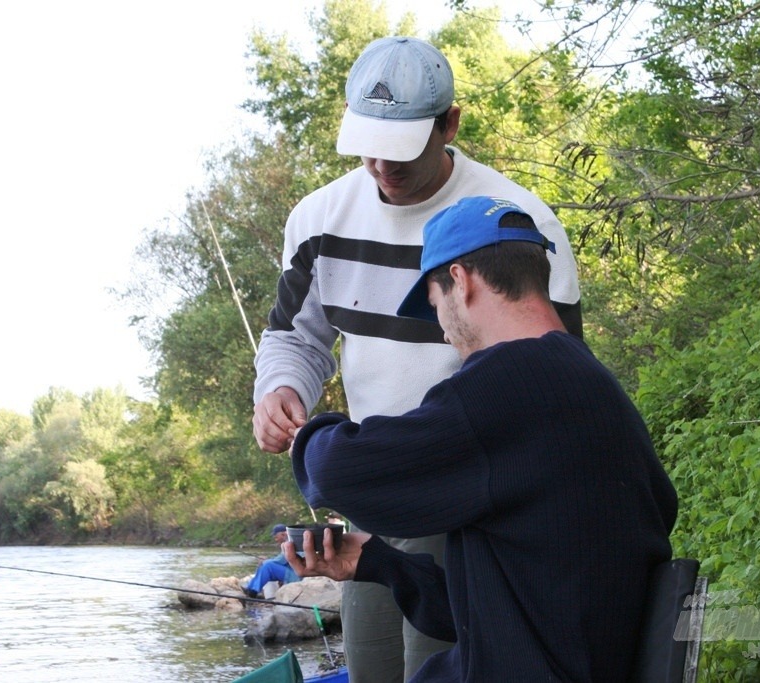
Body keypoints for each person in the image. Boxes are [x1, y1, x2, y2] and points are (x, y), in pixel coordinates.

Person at [251, 36, 582, 683]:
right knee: (373, 670)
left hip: (478, 506)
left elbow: (558, 383)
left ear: (449, 125)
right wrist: (280, 387)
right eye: (369, 146)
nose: (383, 167)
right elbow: (296, 335)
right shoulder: (319, 219)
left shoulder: (518, 224)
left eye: (401, 148)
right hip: (375, 498)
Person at [282, 196, 678, 682]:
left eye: (435, 308)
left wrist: (308, 432)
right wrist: (377, 562)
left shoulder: (509, 383)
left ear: (460, 281)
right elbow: (504, 616)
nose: (445, 334)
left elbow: (337, 470)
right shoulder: (593, 386)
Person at [243, 524, 299, 599]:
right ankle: (251, 588)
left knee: (267, 565)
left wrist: (266, 560)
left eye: (276, 537)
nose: (276, 539)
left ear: (283, 534)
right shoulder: (288, 542)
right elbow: (282, 559)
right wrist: (266, 560)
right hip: (291, 571)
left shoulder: (291, 542)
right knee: (264, 564)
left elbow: (282, 560)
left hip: (295, 575)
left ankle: (253, 591)